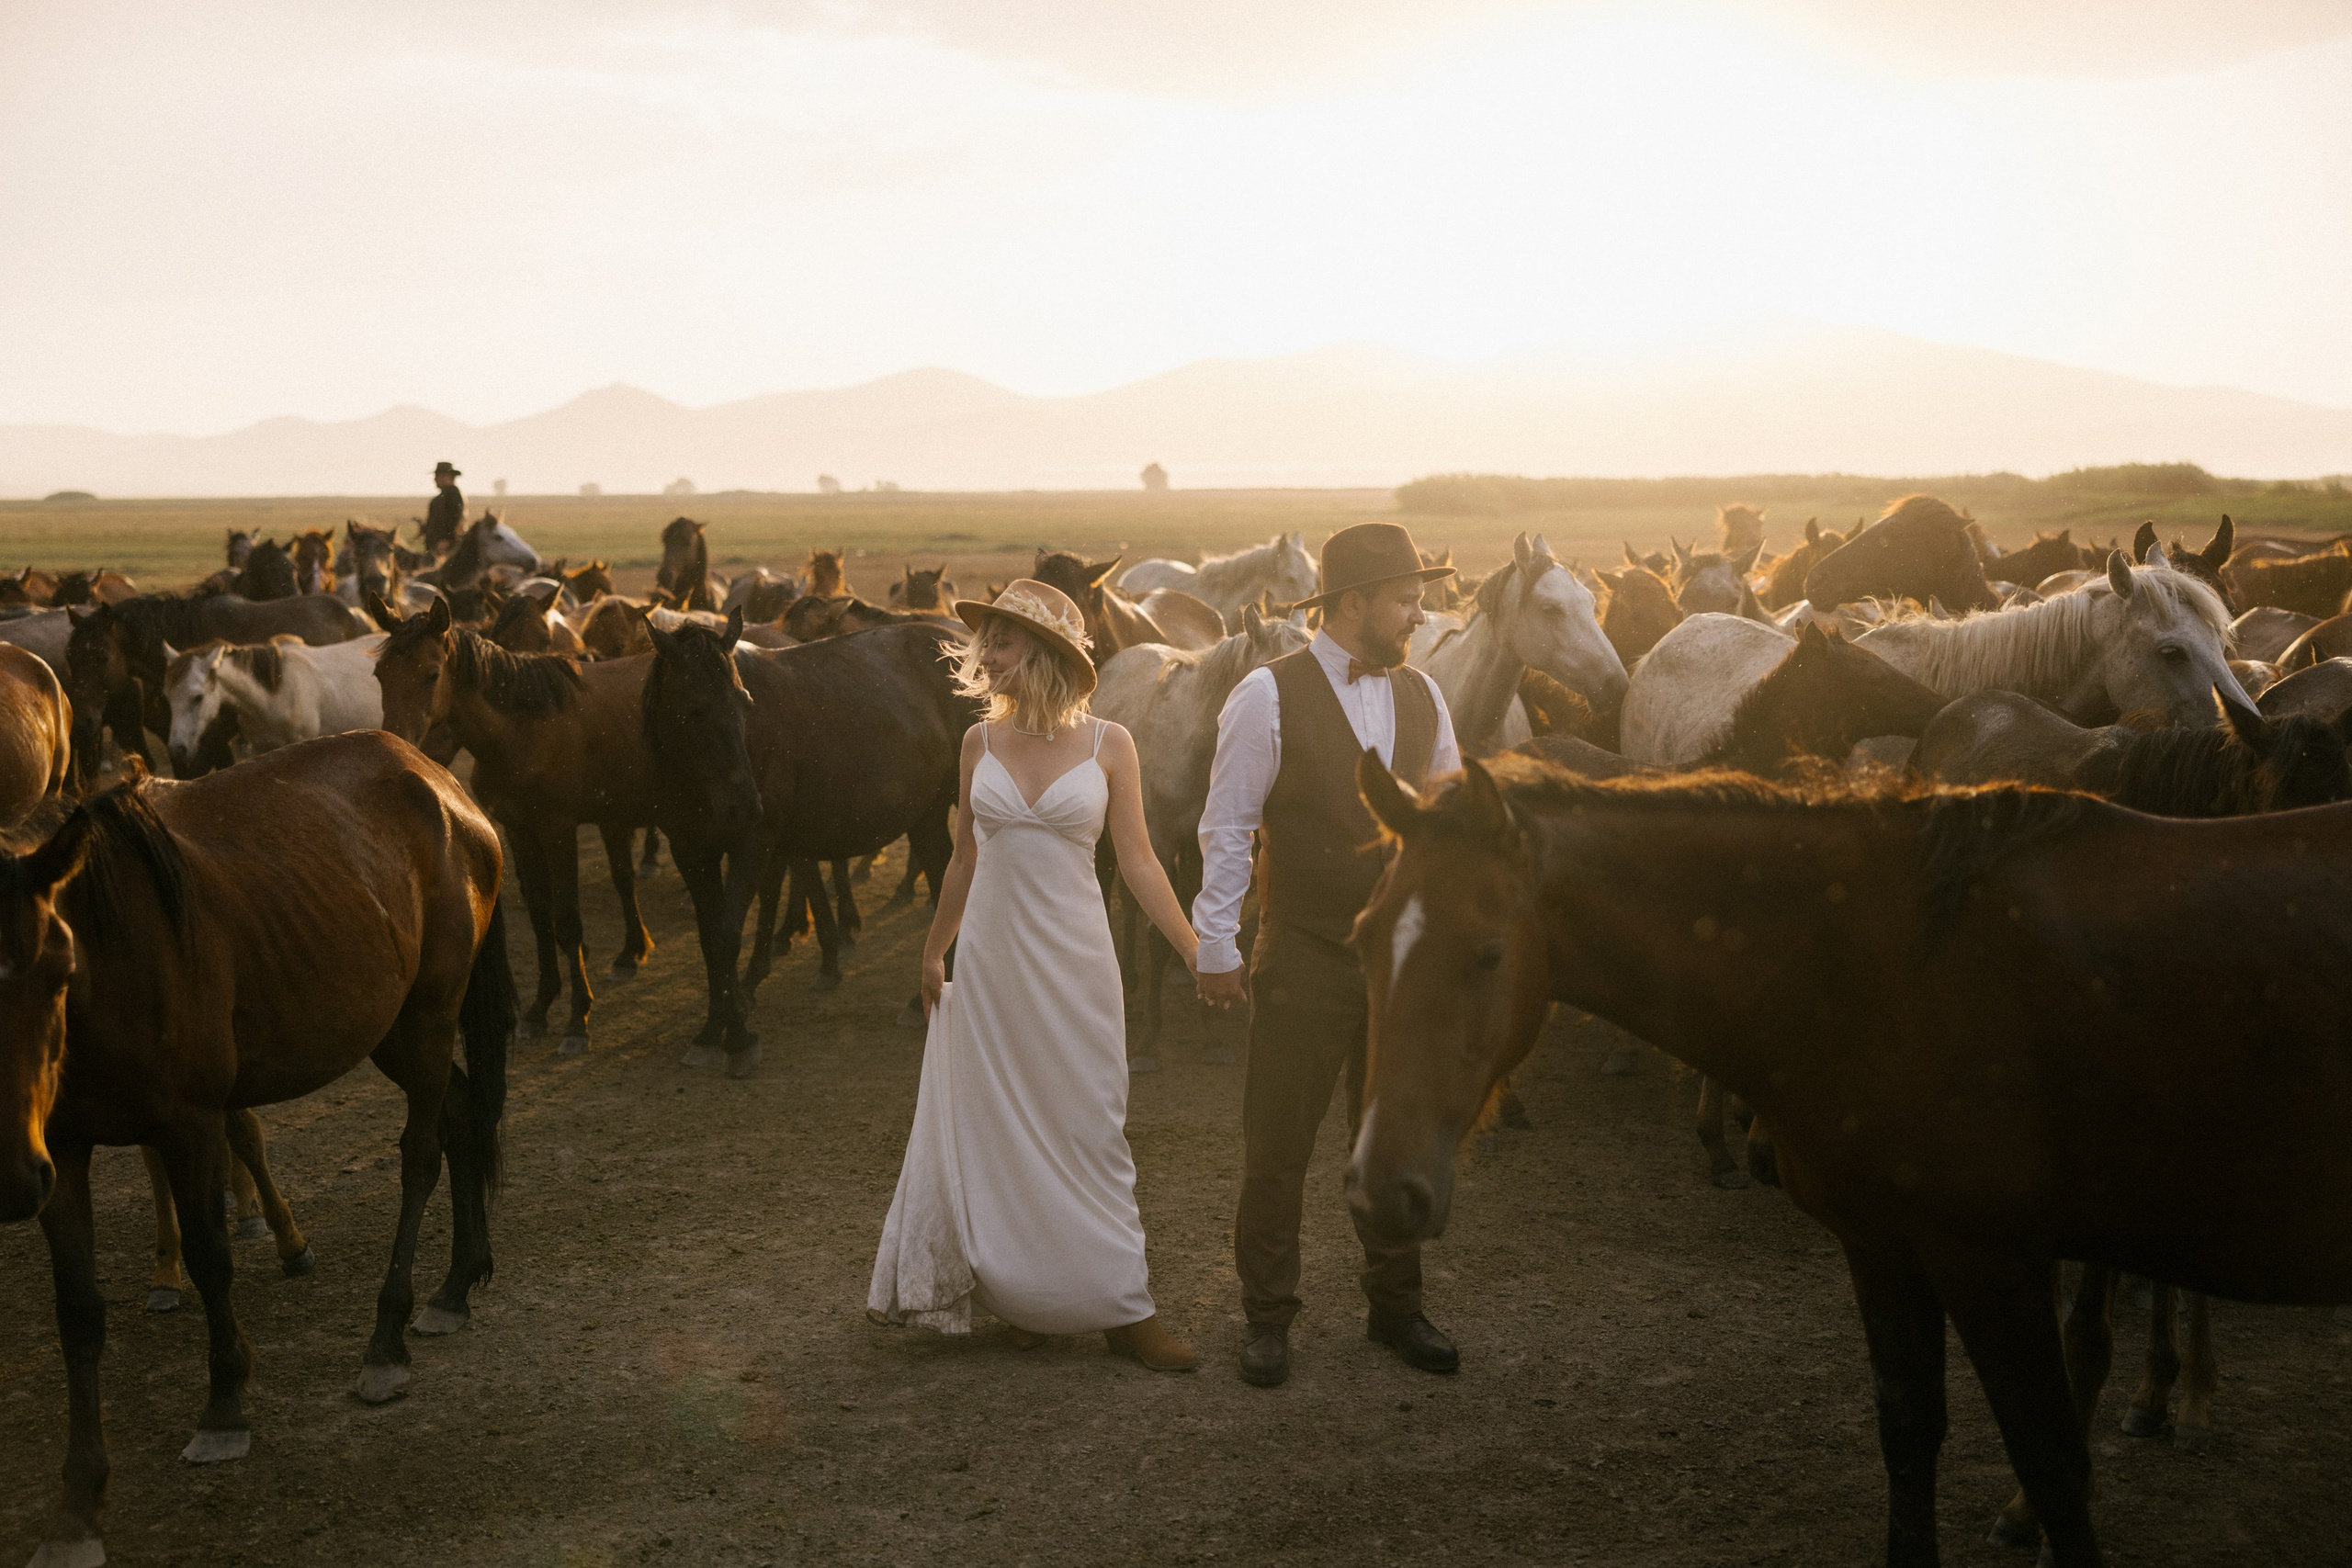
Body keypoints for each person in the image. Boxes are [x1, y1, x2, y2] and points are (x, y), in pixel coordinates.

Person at [869, 579, 1201, 1371]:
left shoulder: (1111, 744)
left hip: (1076, 961)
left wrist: (1196, 950)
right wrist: (932, 948)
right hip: (990, 962)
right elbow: (964, 856)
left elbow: (1142, 862)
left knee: (1090, 1127)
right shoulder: (978, 743)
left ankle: (1127, 1311)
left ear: (1046, 650)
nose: (987, 656)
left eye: (1004, 641)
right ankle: (1027, 1298)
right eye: (986, 642)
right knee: (1002, 1133)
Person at [1193, 522, 1462, 1388]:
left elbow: (1449, 824)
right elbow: (1227, 826)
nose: (1420, 612)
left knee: (1391, 1139)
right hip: (1304, 949)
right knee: (1279, 1144)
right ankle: (1268, 1317)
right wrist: (1216, 944)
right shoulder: (1266, 696)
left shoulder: (1426, 693)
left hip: (1398, 964)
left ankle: (1395, 1306)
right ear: (1355, 604)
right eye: (1406, 598)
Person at [423, 461, 465, 557]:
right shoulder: (442, 497)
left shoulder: (453, 494)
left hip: (445, 547)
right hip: (436, 546)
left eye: (439, 476)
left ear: (449, 477)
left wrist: (447, 539)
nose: (435, 479)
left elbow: (456, 518)